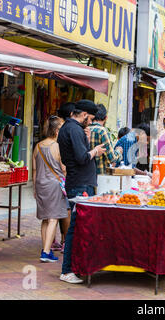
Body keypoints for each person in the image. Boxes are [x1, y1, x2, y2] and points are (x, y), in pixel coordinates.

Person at [58, 99, 108, 284]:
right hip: (80, 184)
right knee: (75, 227)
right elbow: (81, 158)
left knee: (78, 226)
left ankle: (75, 266)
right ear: (85, 115)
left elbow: (75, 154)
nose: (92, 122)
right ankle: (67, 270)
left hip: (78, 182)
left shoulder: (70, 128)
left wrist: (86, 140)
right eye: (91, 118)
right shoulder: (73, 129)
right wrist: (95, 151)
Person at [33, 116, 67, 263]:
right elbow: (64, 168)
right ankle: (46, 252)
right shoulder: (58, 146)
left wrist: (35, 188)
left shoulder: (38, 146)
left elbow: (34, 169)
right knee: (53, 218)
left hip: (40, 184)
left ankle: (44, 248)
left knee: (45, 219)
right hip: (54, 184)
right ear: (57, 130)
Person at [89, 104, 123, 175]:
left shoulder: (85, 129)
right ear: (106, 117)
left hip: (87, 175)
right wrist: (119, 151)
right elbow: (112, 158)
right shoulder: (102, 131)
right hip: (100, 174)